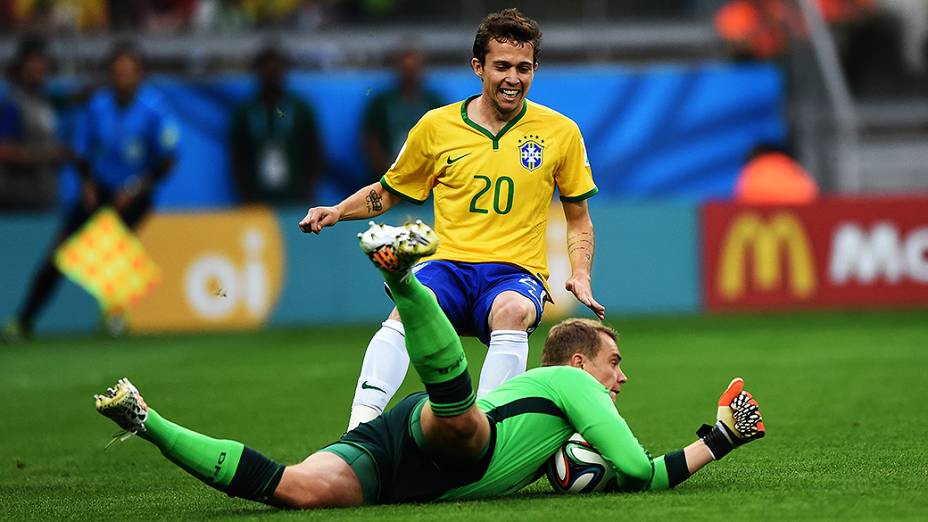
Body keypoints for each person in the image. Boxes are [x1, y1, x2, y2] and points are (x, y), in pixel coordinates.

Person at [94, 220, 767, 508]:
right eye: (614, 363)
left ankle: (144, 418)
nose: (622, 377)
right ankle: (403, 281)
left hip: (403, 459)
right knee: (466, 425)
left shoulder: (561, 414)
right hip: (457, 438)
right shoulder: (567, 381)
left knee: (292, 489)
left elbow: (580, 471)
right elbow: (639, 475)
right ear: (580, 361)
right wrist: (721, 437)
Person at [299, 8, 606, 431]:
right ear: (478, 67)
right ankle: (358, 429)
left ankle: (487, 432)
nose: (513, 78)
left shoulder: (561, 132)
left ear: (535, 69)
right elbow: (387, 192)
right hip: (449, 265)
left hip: (515, 273)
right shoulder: (436, 126)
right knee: (408, 306)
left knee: (514, 310)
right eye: (501, 66)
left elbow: (578, 218)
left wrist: (581, 272)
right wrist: (337, 211)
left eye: (523, 67)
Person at [4, 41, 179, 340]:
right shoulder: (97, 107)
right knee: (60, 253)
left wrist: (137, 188)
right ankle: (24, 320)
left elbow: (167, 159)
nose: (123, 77)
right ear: (110, 75)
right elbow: (81, 151)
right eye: (117, 71)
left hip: (135, 194)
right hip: (99, 189)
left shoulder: (154, 110)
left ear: (140, 74)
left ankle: (115, 316)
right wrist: (86, 184)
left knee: (115, 249)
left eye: (129, 71)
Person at [229, 44, 323, 205]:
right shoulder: (246, 112)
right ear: (258, 72)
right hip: (257, 196)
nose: (271, 74)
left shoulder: (301, 109)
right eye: (266, 69)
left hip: (295, 195)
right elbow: (238, 156)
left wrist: (308, 191)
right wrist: (245, 196)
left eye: (276, 69)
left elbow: (314, 152)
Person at [0, 34, 73, 212]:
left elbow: (72, 97)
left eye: (42, 62)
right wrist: (46, 155)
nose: (39, 68)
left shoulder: (43, 100)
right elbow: (3, 151)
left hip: (42, 197)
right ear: (22, 67)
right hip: (17, 201)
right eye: (33, 62)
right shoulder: (14, 104)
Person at [360, 44, 443, 182]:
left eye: (413, 70)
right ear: (397, 69)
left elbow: (446, 138)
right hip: (387, 177)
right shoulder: (381, 102)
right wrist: (388, 171)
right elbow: (369, 141)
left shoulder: (434, 101)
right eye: (406, 70)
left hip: (427, 179)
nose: (410, 76)